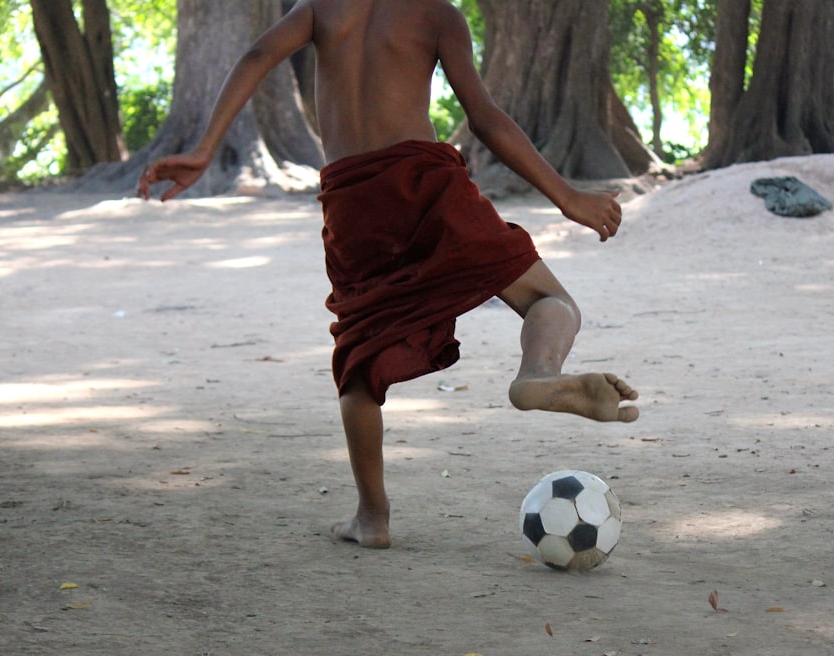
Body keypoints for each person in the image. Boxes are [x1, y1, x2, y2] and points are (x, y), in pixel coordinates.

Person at [137, 0, 640, 550]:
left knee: (359, 357)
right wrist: (566, 196)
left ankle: (372, 517)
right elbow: (485, 117)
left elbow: (258, 55)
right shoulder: (435, 15)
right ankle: (538, 372)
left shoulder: (321, 10)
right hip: (426, 185)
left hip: (353, 202)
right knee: (549, 301)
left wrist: (205, 148)